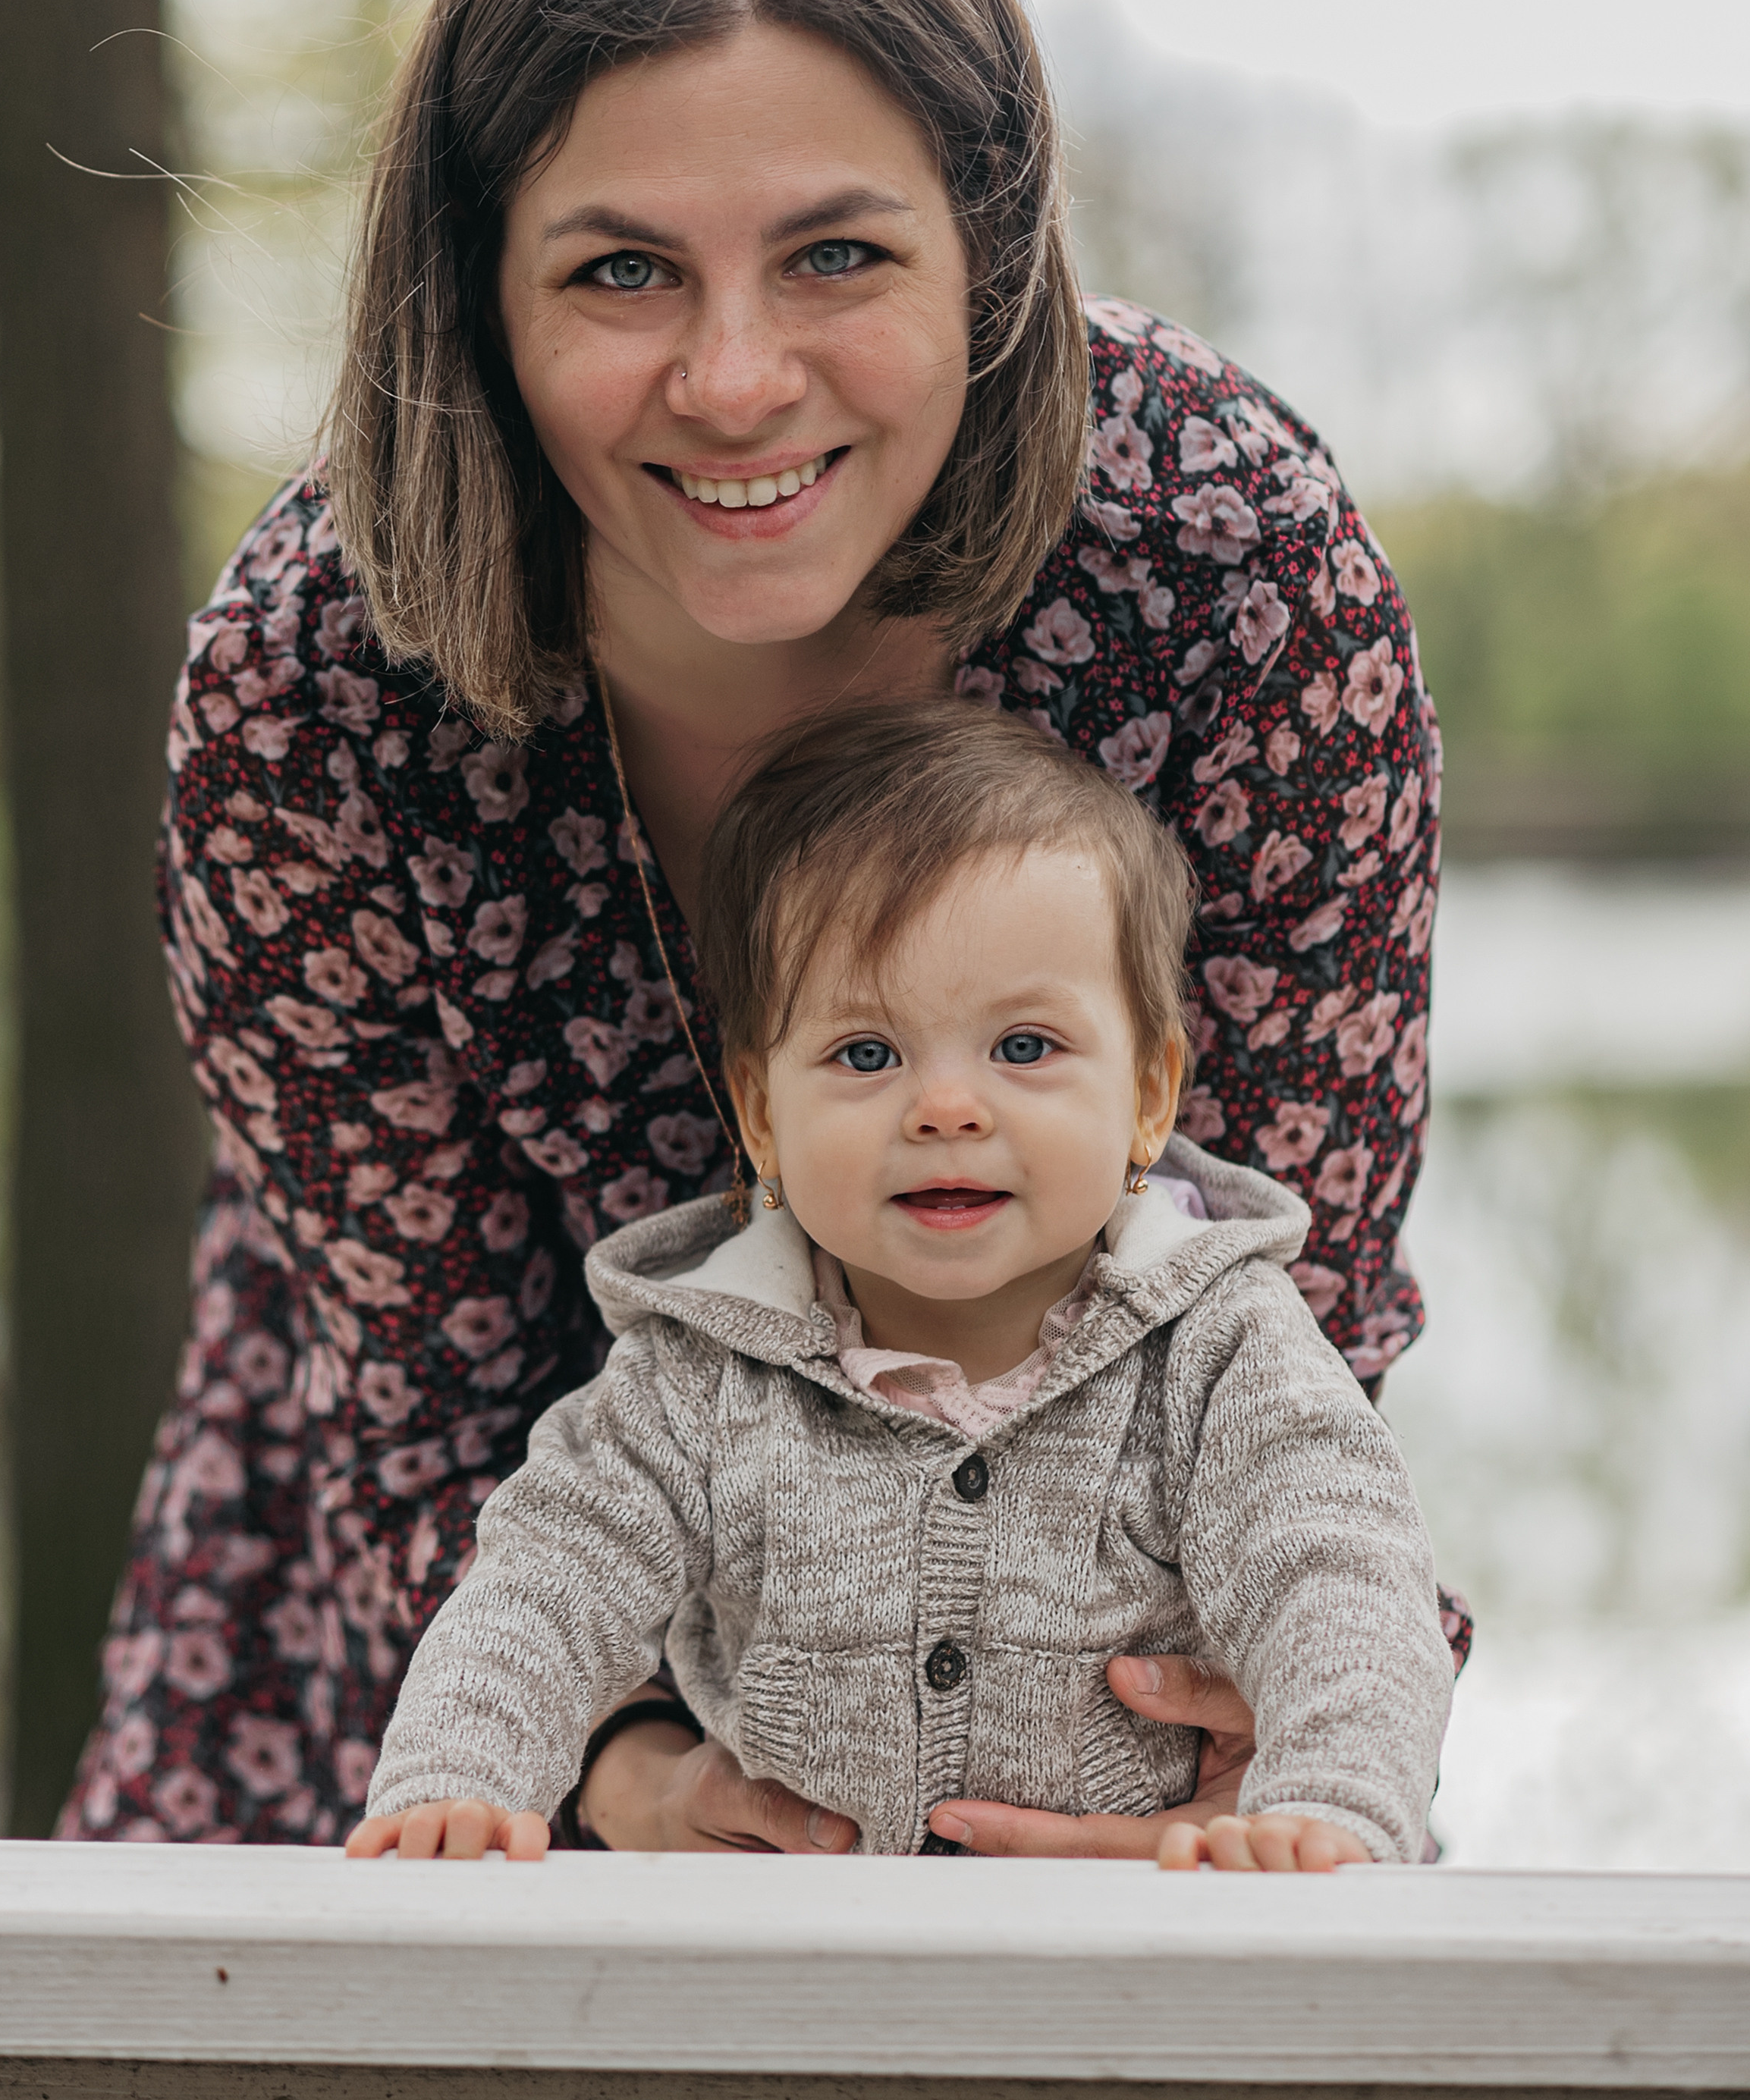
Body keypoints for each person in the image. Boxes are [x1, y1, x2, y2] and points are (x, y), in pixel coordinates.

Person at [60, 0, 1458, 1855]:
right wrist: (613, 1773)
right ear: (481, 293)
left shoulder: (1228, 572)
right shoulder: (313, 689)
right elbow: (429, 1396)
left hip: (1104, 1656)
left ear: (985, 250)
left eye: (833, 255)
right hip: (481, 1607)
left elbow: (1284, 1324)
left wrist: (1263, 1758)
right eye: (621, 274)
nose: (734, 379)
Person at [348, 702, 1453, 1869]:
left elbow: (1341, 1580)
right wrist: (458, 1781)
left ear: (1148, 1094)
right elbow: (543, 1585)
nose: (947, 1109)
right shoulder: (701, 1370)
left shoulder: (1221, 1344)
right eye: (866, 1055)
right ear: (763, 1113)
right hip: (787, 1965)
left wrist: (1327, 1807)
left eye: (1024, 1048)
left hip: (1141, 1945)